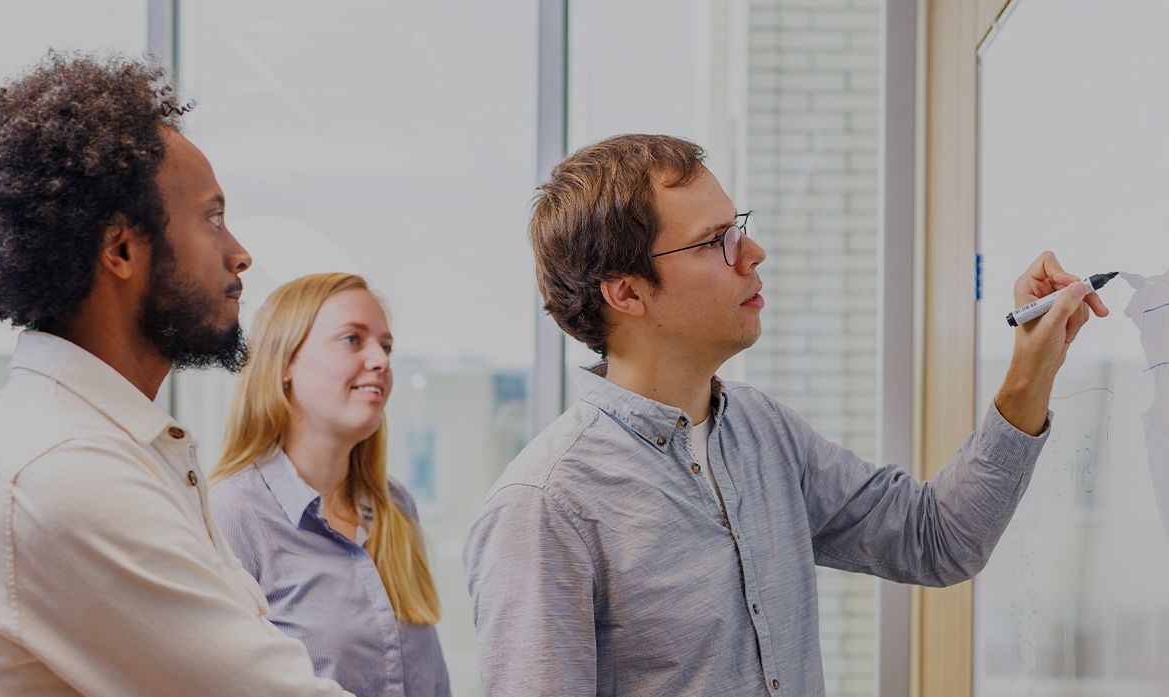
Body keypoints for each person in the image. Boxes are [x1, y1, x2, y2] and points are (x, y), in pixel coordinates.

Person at [462, 134, 1107, 696]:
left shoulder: (763, 432)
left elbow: (937, 540)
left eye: (737, 227)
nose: (753, 253)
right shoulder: (545, 506)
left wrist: (1031, 369)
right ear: (627, 292)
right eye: (715, 242)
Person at [0, 52, 350, 696]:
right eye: (212, 218)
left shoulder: (100, 443)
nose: (240, 254)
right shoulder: (64, 469)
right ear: (122, 249)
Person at [210, 272, 450, 696]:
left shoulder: (395, 506)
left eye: (386, 346)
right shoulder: (231, 513)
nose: (380, 361)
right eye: (352, 340)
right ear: (285, 364)